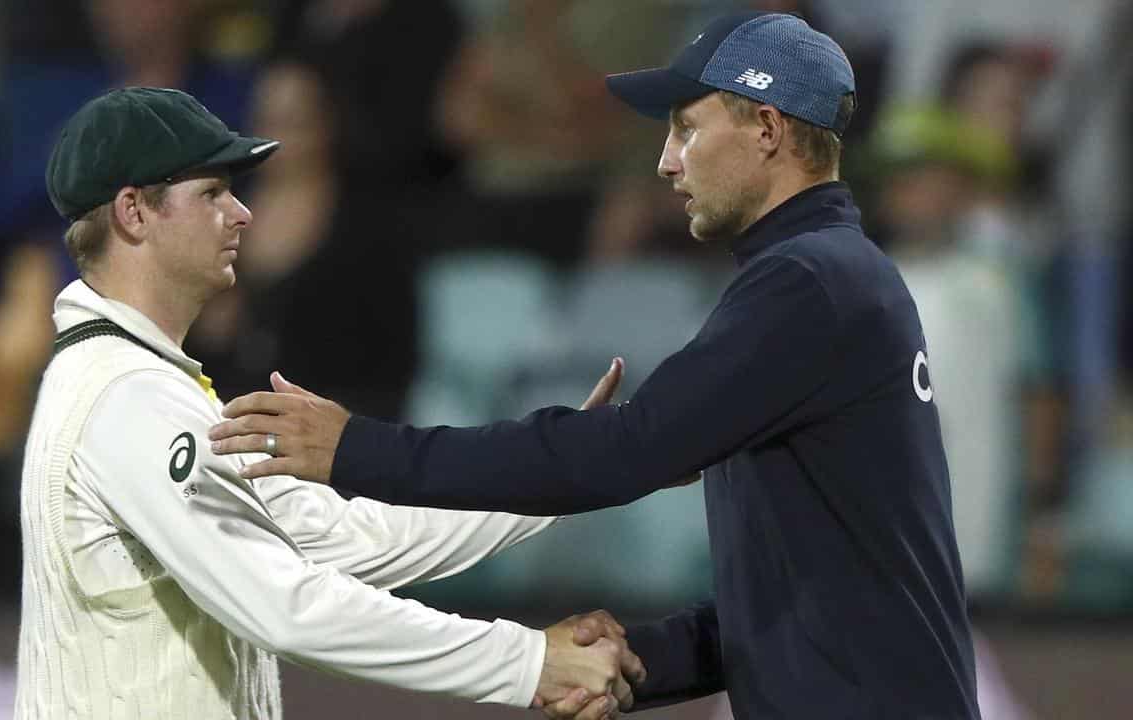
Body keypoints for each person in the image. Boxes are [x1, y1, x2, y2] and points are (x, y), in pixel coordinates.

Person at [208, 12, 982, 719]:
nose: (665, 163)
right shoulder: (833, 276)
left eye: (686, 129)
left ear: (768, 129)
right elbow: (808, 590)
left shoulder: (807, 285)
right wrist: (632, 664)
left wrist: (354, 449)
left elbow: (620, 455)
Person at [16, 86, 639, 720]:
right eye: (211, 194)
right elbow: (285, 606)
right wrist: (528, 660)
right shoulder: (127, 397)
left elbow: (348, 538)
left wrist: (569, 471)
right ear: (133, 212)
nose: (242, 213)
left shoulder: (147, 383)